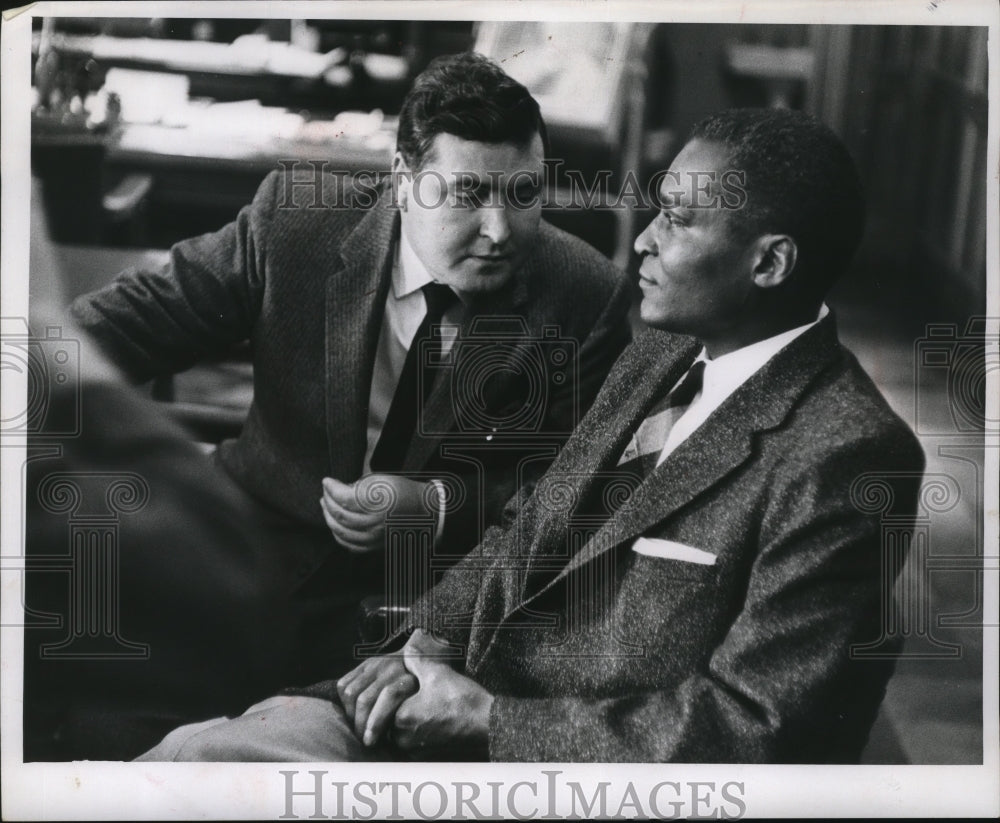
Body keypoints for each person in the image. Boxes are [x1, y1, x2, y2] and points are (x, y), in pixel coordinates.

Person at [137, 107, 925, 764]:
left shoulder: (848, 451)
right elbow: (532, 525)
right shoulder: (663, 350)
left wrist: (488, 720)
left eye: (677, 221)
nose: (644, 240)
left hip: (551, 765)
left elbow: (760, 729)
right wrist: (429, 641)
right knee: (185, 755)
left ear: (771, 263)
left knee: (202, 769)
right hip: (452, 699)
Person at [69, 52, 632, 690]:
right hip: (259, 545)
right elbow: (137, 320)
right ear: (402, 179)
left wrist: (438, 505)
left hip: (430, 602)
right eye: (469, 194)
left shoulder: (585, 295)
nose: (500, 230)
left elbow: (570, 493)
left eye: (524, 193)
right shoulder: (295, 222)